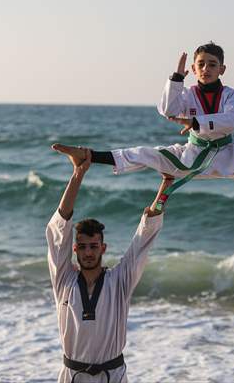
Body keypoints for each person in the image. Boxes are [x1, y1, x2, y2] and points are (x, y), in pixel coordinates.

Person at [51, 42, 234, 209]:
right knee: (144, 153)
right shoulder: (187, 93)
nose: (206, 68)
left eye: (212, 64)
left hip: (232, 158)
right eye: (200, 64)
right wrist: (176, 79)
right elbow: (167, 110)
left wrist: (193, 121)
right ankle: (87, 155)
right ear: (193, 69)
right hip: (192, 155)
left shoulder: (231, 95)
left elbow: (229, 124)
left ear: (222, 69)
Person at [46, 148, 173, 383]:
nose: (88, 252)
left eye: (94, 246)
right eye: (82, 246)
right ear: (75, 250)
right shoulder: (64, 279)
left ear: (103, 248)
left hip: (112, 376)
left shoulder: (119, 280)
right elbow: (59, 230)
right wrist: (78, 174)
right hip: (73, 376)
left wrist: (166, 184)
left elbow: (143, 237)